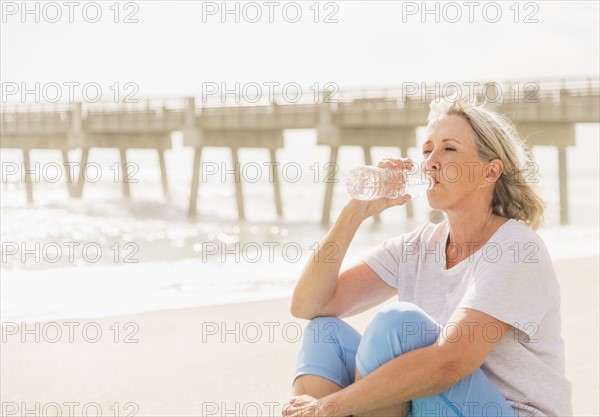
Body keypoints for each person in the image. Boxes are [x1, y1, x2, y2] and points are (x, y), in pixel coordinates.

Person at [283, 97, 572, 417]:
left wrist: (329, 406)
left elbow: (451, 363)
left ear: (490, 172)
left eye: (449, 149)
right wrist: (355, 212)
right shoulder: (417, 246)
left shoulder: (517, 248)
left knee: (397, 326)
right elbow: (309, 304)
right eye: (426, 150)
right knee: (325, 333)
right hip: (434, 406)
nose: (431, 161)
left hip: (510, 411)